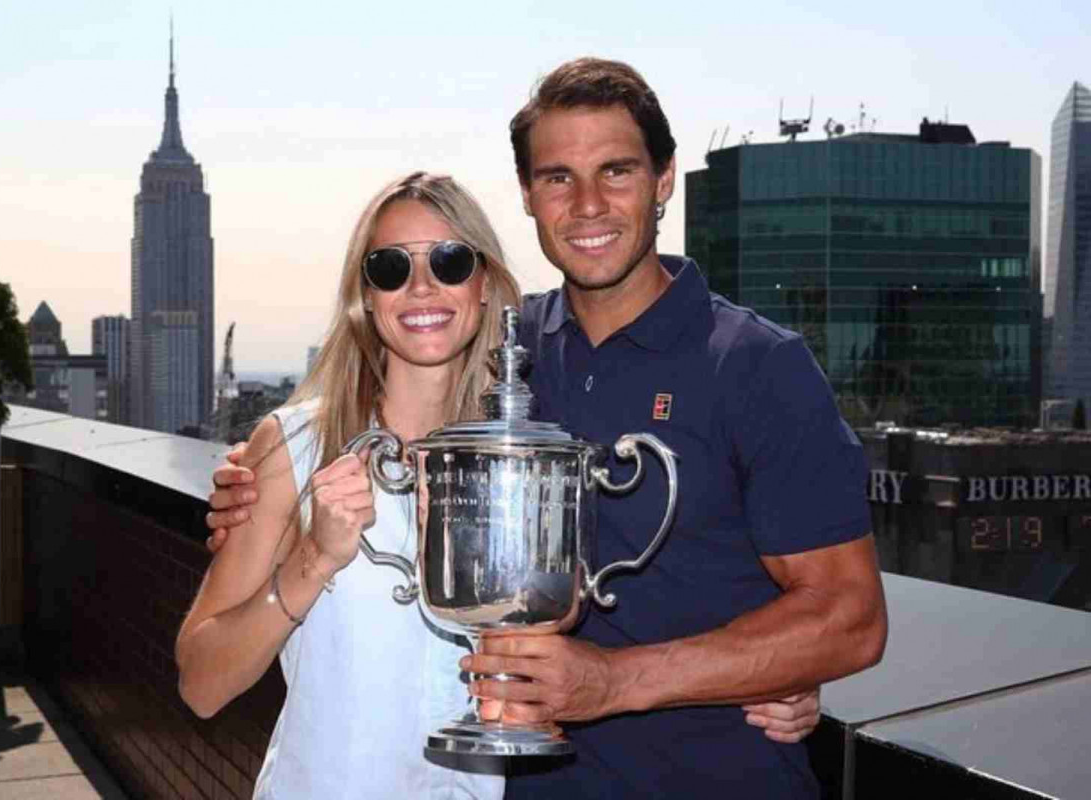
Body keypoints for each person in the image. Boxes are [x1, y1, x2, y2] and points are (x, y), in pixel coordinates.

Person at [206, 59, 878, 797]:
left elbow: (848, 618)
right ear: (528, 196)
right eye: (558, 177)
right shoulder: (505, 358)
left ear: (663, 181)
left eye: (615, 171)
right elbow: (380, 394)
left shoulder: (754, 366)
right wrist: (262, 478)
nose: (588, 204)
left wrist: (625, 681)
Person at [176, 172, 524, 799]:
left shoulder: (518, 465)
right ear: (366, 295)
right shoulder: (296, 447)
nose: (421, 287)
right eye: (391, 267)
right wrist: (313, 559)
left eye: (449, 261)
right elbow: (201, 685)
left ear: (485, 284)